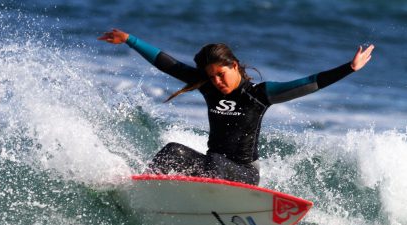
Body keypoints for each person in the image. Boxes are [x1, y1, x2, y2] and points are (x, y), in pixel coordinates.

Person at [98, 29, 374, 185]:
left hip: (244, 176)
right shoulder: (207, 85)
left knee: (216, 161)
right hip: (212, 167)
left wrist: (349, 69)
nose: (217, 81)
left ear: (234, 65)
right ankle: (142, 190)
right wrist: (129, 40)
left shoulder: (260, 94)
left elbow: (309, 82)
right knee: (173, 151)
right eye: (212, 76)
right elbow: (167, 63)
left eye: (222, 74)